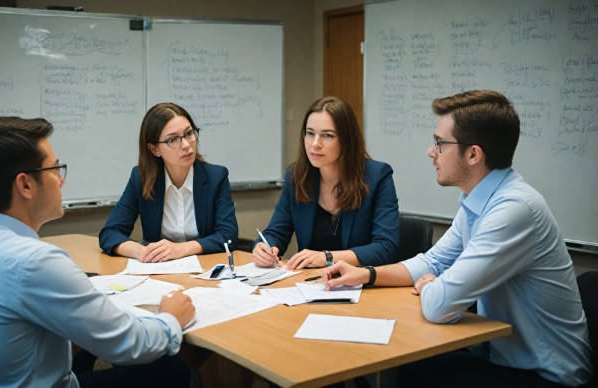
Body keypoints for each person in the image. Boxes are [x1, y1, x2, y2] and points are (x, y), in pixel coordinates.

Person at [323, 90, 593, 387]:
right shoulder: (478, 199)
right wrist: (366, 275)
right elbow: (433, 261)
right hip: (502, 360)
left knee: (407, 370)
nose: (431, 152)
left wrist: (430, 285)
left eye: (440, 143)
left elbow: (440, 305)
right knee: (403, 365)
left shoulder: (514, 209)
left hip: (546, 377)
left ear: (474, 154)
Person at [0, 117, 195, 387]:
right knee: (175, 372)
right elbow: (131, 345)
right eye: (55, 169)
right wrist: (171, 316)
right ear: (25, 185)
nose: (61, 181)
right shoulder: (34, 262)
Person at [252, 96, 400, 269]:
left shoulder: (377, 177)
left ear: (347, 140)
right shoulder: (296, 176)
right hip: (309, 285)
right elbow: (276, 232)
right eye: (310, 133)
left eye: (327, 135)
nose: (315, 144)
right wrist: (264, 247)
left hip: (361, 286)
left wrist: (328, 257)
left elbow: (386, 247)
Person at [100, 102, 239, 262]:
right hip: (160, 272)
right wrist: (142, 252)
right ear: (154, 149)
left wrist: (181, 249)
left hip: (205, 270)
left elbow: (228, 236)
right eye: (173, 140)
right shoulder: (141, 178)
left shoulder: (216, 177)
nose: (186, 145)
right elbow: (110, 233)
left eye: (188, 134)